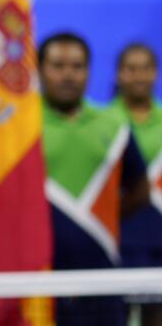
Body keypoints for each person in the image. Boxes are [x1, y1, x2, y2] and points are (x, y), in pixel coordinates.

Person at [39, 31, 150, 326]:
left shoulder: (114, 124)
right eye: (58, 66)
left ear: (89, 71)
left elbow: (140, 191)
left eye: (77, 66)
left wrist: (100, 220)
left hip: (102, 272)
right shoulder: (18, 128)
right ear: (40, 70)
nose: (68, 75)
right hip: (36, 273)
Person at [108, 42, 162, 326]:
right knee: (118, 314)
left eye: (145, 68)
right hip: (119, 236)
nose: (139, 75)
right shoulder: (104, 122)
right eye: (131, 69)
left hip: (159, 237)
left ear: (155, 73)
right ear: (118, 74)